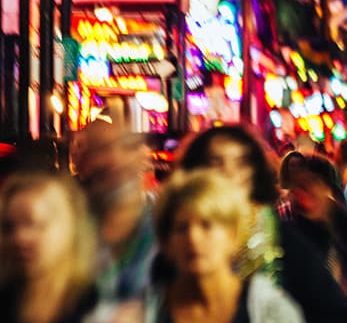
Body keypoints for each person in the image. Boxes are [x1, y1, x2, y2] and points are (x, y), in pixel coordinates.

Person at [178, 125, 347, 322]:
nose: (229, 173)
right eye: (216, 163)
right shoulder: (176, 235)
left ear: (254, 173)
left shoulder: (277, 234)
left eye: (241, 163)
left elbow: (332, 308)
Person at [146, 170, 303, 322]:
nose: (193, 238)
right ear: (166, 241)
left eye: (207, 225)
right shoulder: (143, 311)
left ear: (232, 235)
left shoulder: (271, 311)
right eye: (181, 228)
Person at [71, 120, 158, 306]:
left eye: (126, 147)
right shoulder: (68, 222)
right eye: (101, 149)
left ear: (143, 157)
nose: (114, 159)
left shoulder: (167, 217)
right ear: (83, 162)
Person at [279, 153, 347, 311]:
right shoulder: (294, 237)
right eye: (301, 188)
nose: (306, 196)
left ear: (327, 189)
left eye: (312, 185)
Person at [0, 173, 106, 322]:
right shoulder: (6, 299)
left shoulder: (100, 304)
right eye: (8, 227)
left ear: (70, 226)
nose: (19, 238)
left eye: (35, 224)